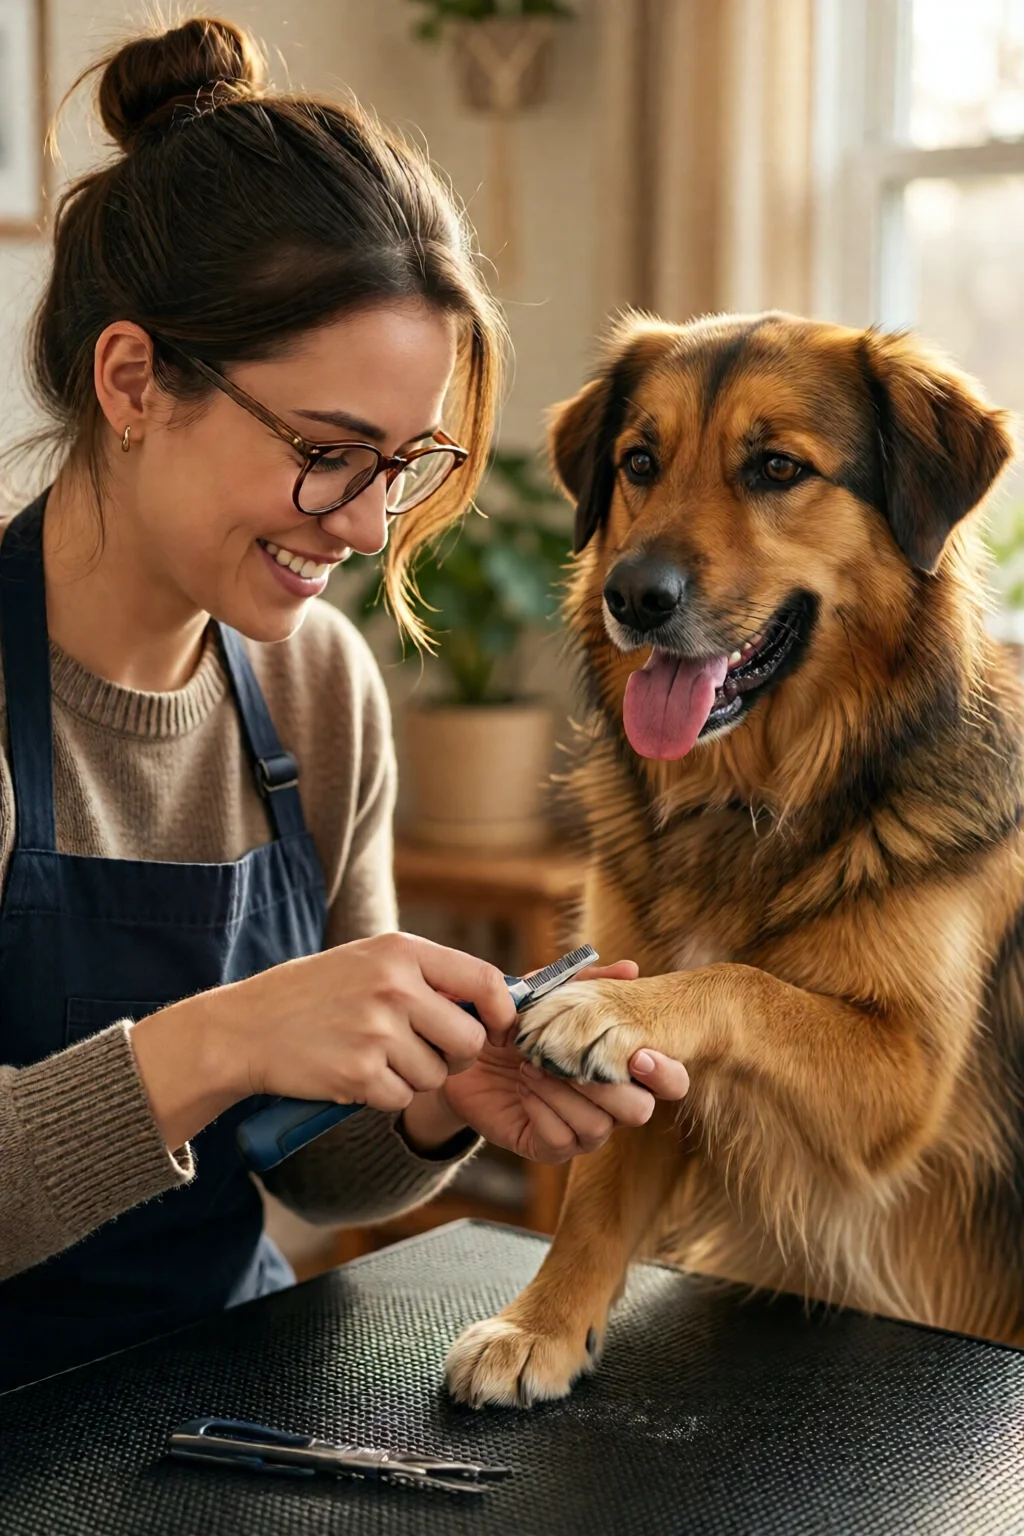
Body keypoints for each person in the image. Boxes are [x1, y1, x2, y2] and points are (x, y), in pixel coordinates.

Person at [0, 18, 689, 1392]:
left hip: (210, 1383)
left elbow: (313, 1179)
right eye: (327, 454)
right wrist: (224, 1037)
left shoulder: (317, 685)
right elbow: (234, 1069)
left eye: (404, 463)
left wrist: (445, 1102)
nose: (372, 529)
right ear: (133, 381)